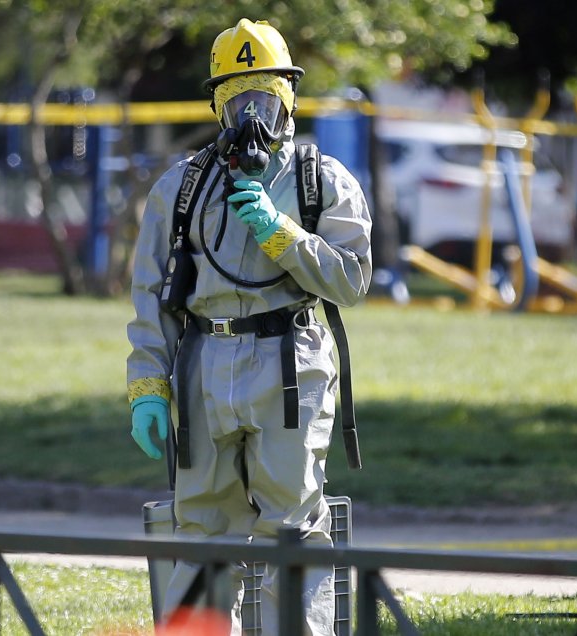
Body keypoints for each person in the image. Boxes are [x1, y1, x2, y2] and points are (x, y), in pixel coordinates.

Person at [125, 17, 372, 636]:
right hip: (205, 363)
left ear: (289, 98)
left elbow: (351, 280)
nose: (252, 116)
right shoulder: (180, 188)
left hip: (292, 362)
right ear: (217, 104)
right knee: (203, 527)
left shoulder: (322, 182)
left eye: (265, 97)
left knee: (292, 526)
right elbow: (152, 300)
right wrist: (148, 388)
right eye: (239, 100)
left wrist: (281, 233)